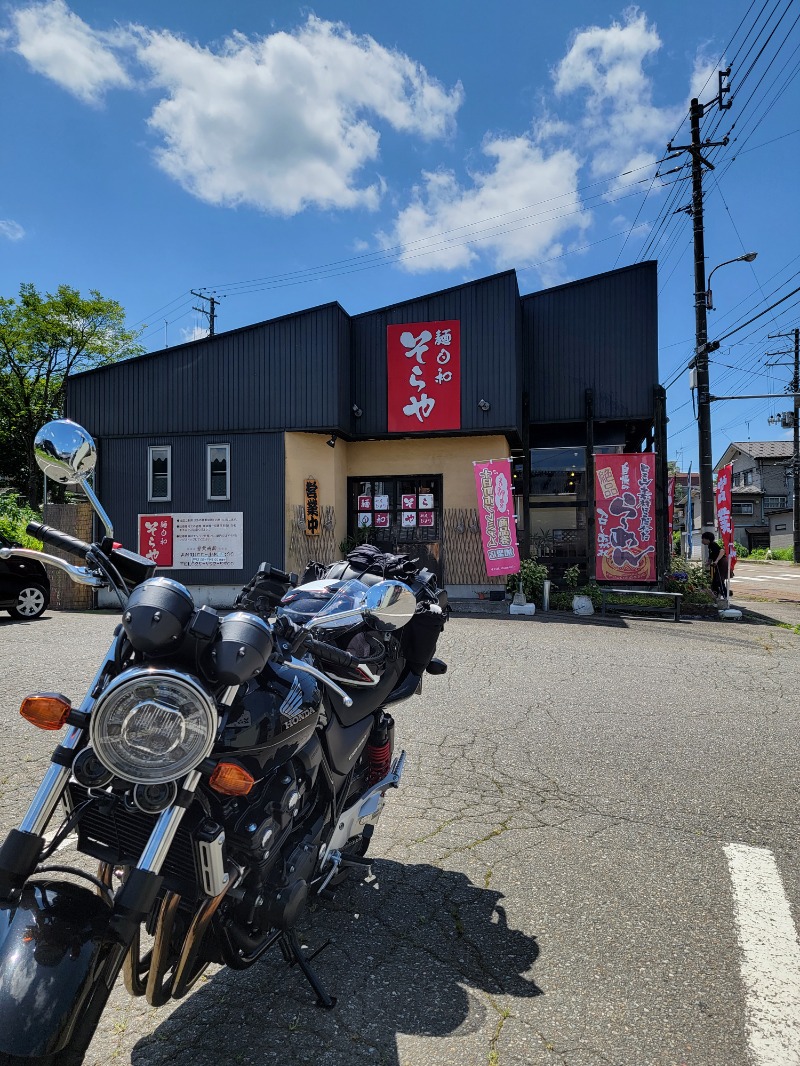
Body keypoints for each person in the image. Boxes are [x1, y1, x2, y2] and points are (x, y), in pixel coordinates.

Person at [701, 531, 728, 599]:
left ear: (707, 539)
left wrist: (716, 560)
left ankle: (724, 596)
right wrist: (707, 563)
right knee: (716, 580)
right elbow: (711, 556)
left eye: (703, 539)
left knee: (719, 580)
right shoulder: (710, 546)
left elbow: (722, 551)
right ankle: (718, 595)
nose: (702, 540)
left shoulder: (713, 544)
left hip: (722, 563)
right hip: (719, 564)